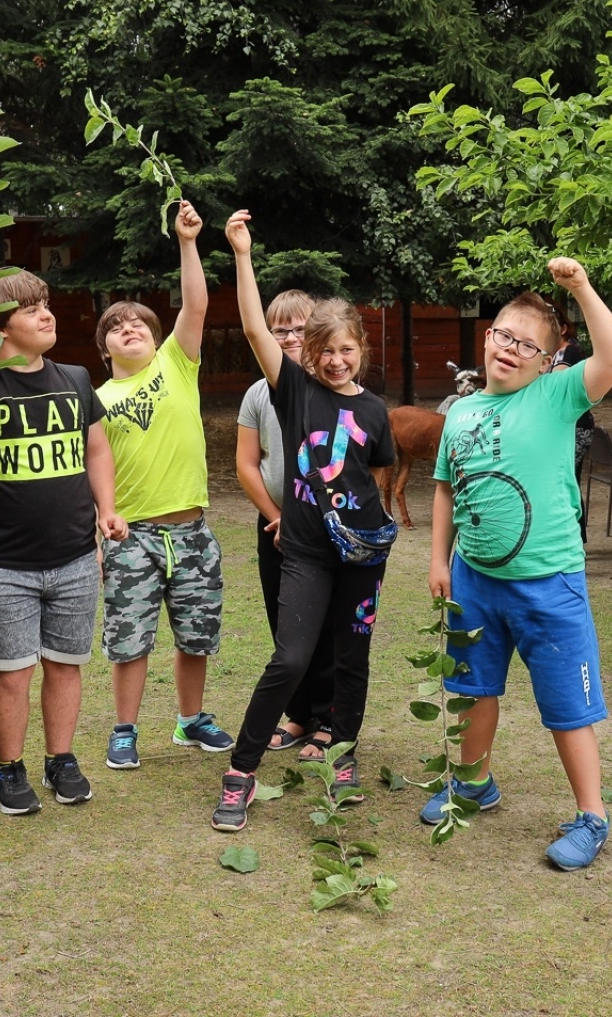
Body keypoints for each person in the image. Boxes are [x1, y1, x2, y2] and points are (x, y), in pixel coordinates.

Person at [425, 257, 612, 870]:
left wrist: (581, 288)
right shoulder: (459, 413)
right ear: (486, 338)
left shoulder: (556, 395)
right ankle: (473, 784)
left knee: (568, 708)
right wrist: (438, 560)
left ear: (548, 360)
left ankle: (592, 816)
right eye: (503, 336)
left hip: (549, 584)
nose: (510, 349)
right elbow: (445, 489)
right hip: (474, 582)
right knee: (471, 689)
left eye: (527, 345)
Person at [212, 211, 395, 832]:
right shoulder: (293, 391)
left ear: (361, 351)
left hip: (362, 555)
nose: (337, 360)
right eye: (326, 351)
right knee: (290, 658)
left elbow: (376, 473)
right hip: (307, 553)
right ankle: (241, 771)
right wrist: (242, 255)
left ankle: (341, 754)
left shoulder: (376, 410)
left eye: (347, 350)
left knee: (352, 656)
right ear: (309, 354)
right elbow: (253, 327)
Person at [0, 270, 128, 815]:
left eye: (46, 304)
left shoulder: (76, 378)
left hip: (75, 557)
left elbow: (96, 450)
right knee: (13, 672)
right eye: (30, 309)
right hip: (4, 563)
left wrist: (107, 510)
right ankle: (8, 770)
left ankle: (60, 760)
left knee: (65, 664)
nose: (47, 314)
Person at [96, 201, 233, 770]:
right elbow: (92, 474)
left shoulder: (176, 363)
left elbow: (195, 304)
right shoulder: (97, 401)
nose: (129, 329)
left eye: (139, 324)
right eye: (116, 327)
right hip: (133, 538)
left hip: (193, 532)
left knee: (196, 635)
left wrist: (187, 242)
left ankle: (189, 720)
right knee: (129, 640)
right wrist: (96, 533)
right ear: (104, 348)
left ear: (157, 339)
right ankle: (124, 730)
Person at [234, 288, 338, 760]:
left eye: (301, 328)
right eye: (281, 330)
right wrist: (277, 518)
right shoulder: (258, 393)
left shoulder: (333, 383)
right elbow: (246, 464)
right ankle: (298, 715)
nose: (291, 337)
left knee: (329, 626)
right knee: (286, 625)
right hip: (274, 528)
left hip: (327, 529)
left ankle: (329, 720)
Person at [549, 304, 597, 540]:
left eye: (551, 326)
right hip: (567, 427)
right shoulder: (555, 353)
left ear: (564, 329)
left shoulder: (567, 352)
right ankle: (577, 538)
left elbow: (555, 385)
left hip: (575, 428)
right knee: (568, 481)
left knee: (565, 481)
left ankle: (575, 538)